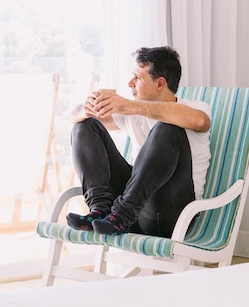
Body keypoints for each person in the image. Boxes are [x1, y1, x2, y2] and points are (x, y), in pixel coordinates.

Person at [66, 46, 211, 237]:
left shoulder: (194, 108)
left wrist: (129, 106)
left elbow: (200, 121)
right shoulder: (132, 114)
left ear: (160, 84)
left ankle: (122, 214)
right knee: (84, 125)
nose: (130, 83)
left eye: (138, 78)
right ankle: (100, 210)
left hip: (173, 215)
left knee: (167, 127)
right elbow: (73, 118)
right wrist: (87, 108)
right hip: (128, 214)